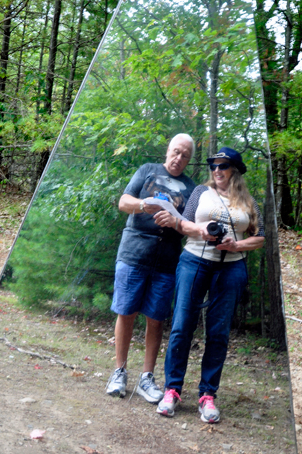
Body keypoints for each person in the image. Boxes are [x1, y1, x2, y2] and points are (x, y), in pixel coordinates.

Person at [153, 146, 265, 423]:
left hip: (231, 267)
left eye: (223, 166)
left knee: (218, 332)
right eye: (213, 166)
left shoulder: (248, 201)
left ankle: (208, 395)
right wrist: (201, 231)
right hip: (194, 262)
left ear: (235, 170)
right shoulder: (200, 194)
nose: (217, 171)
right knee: (181, 326)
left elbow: (260, 237)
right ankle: (172, 390)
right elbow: (181, 224)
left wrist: (236, 243)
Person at [106, 134, 196, 403]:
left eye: (185, 155)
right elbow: (123, 202)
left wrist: (176, 222)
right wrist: (145, 204)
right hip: (134, 253)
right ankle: (119, 372)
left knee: (156, 318)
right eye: (176, 152)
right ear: (167, 150)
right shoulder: (147, 171)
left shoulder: (191, 188)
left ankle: (147, 378)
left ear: (189, 160)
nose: (178, 158)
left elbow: (190, 226)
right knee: (126, 311)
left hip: (167, 260)